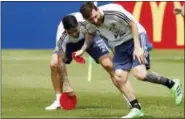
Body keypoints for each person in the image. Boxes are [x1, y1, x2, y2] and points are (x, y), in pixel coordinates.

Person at [78, 2, 183, 118]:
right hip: (119, 46)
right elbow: (90, 34)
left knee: (140, 74)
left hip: (135, 37)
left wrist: (137, 48)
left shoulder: (114, 12)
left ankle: (172, 84)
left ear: (97, 9)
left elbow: (133, 24)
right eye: (91, 19)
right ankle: (136, 108)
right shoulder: (89, 23)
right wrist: (83, 49)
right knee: (119, 76)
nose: (95, 20)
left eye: (95, 16)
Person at [45, 12, 139, 111]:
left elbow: (104, 34)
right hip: (69, 44)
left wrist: (84, 49)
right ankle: (59, 100)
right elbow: (61, 61)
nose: (74, 34)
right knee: (54, 64)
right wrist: (66, 85)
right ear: (65, 30)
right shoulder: (62, 36)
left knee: (109, 65)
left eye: (75, 30)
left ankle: (129, 98)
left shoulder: (87, 23)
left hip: (90, 37)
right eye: (70, 32)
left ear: (78, 24)